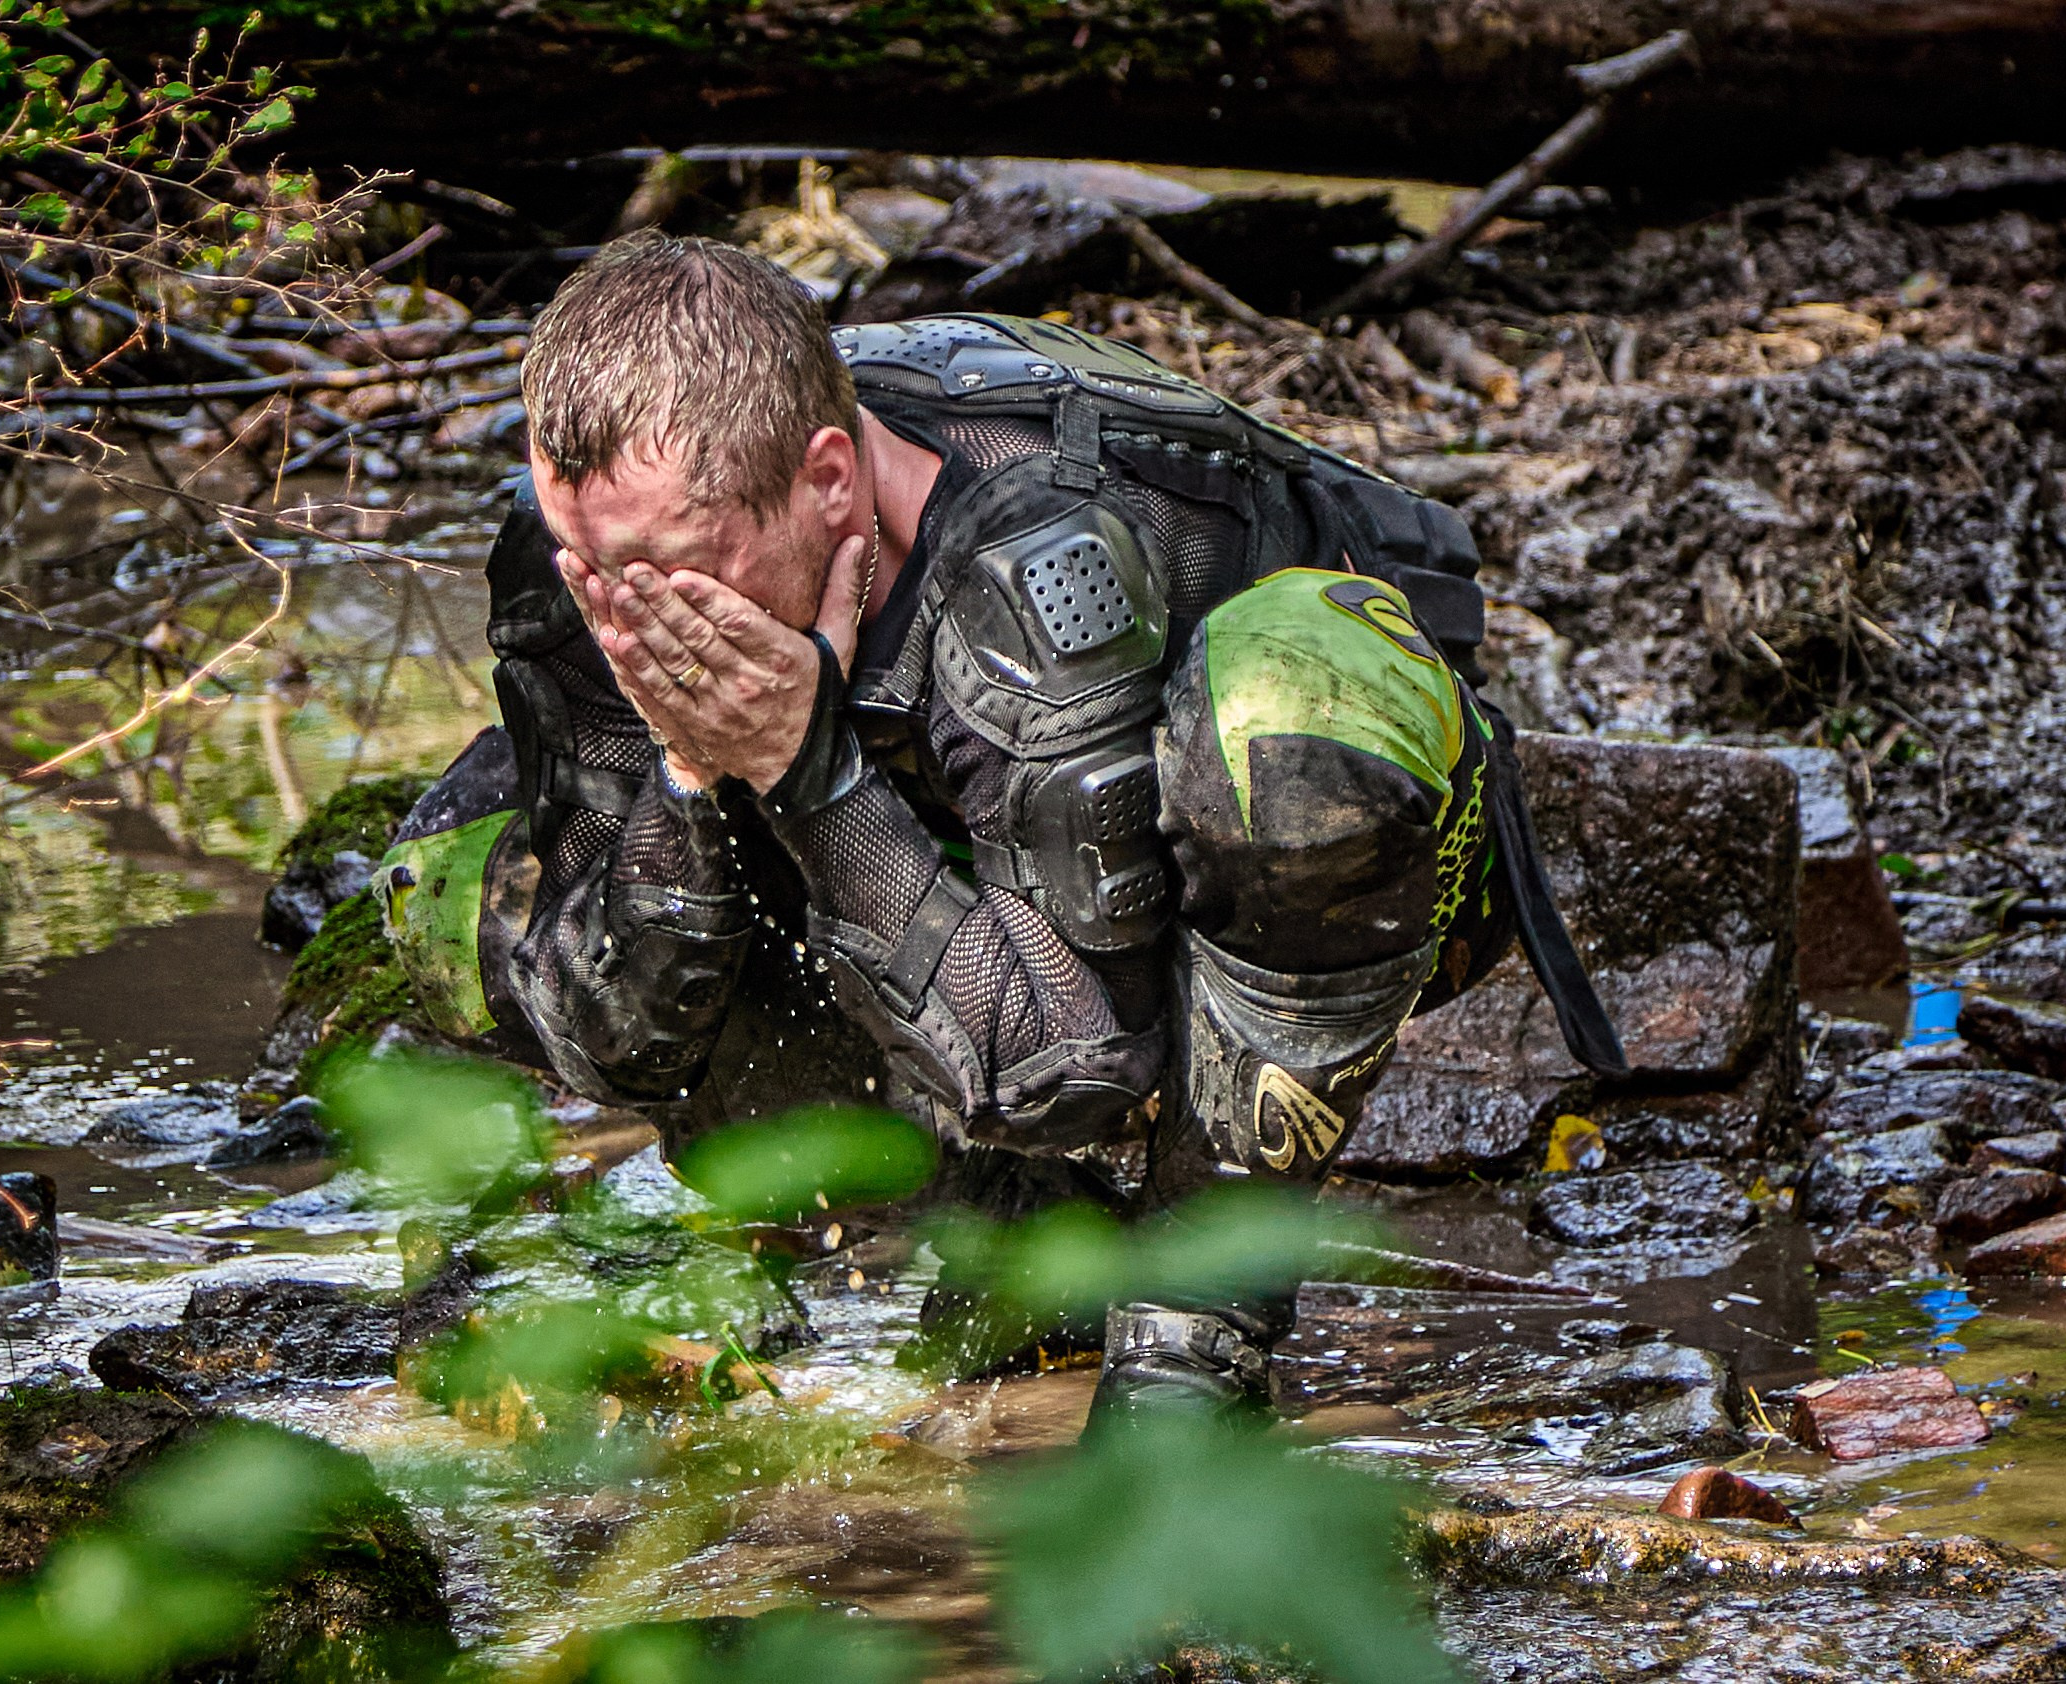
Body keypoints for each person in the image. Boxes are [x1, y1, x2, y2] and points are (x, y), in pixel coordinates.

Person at [376, 231, 1623, 1417]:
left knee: (1289, 750)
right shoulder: (597, 564)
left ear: (828, 481)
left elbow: (1073, 1067)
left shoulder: (1041, 555)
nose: (632, 619)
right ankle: (1004, 1218)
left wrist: (807, 770)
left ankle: (1196, 1330)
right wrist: (697, 774)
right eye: (596, 568)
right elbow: (609, 1034)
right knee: (447, 888)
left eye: (683, 573)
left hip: (1333, 839)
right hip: (984, 846)